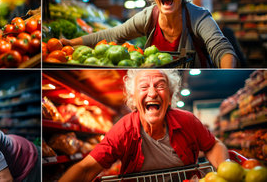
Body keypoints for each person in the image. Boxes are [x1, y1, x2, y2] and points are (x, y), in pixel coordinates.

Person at [61, 0, 237, 68]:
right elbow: (113, 35)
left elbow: (222, 49)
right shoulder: (148, 16)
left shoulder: (199, 16)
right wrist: (70, 43)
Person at [59, 69, 229, 182]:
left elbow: (213, 145)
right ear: (133, 99)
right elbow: (86, 168)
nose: (153, 92)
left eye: (160, 85)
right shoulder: (124, 129)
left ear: (170, 97)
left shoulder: (187, 121)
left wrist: (225, 171)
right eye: (144, 87)